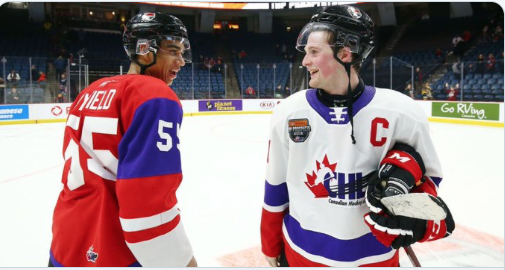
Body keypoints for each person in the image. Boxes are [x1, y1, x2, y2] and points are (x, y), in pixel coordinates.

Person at [260, 5, 454, 267]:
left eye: (314, 52)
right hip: (303, 255)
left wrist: (407, 200)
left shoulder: (402, 113)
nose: (304, 61)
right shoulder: (288, 112)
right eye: (306, 52)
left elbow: (429, 179)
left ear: (345, 53)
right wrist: (270, 244)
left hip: (376, 258)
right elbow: (276, 187)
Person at [49, 12, 197, 267]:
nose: (181, 61)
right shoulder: (156, 95)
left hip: (64, 243)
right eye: (173, 51)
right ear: (144, 50)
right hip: (115, 250)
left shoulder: (88, 92)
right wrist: (180, 261)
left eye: (183, 53)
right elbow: (147, 200)